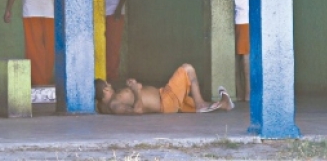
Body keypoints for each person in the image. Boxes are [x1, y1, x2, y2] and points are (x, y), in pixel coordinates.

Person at [95, 63, 234, 115]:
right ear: (105, 91)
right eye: (108, 85)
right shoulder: (114, 104)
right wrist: (136, 90)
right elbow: (137, 111)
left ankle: (224, 104)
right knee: (187, 69)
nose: (111, 86)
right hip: (165, 101)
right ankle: (200, 103)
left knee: (198, 109)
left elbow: (99, 104)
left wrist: (134, 87)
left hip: (165, 97)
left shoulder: (103, 104)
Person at [234, 0, 250, 101]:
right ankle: (247, 93)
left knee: (236, 57)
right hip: (244, 17)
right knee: (245, 55)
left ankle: (238, 92)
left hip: (232, 18)